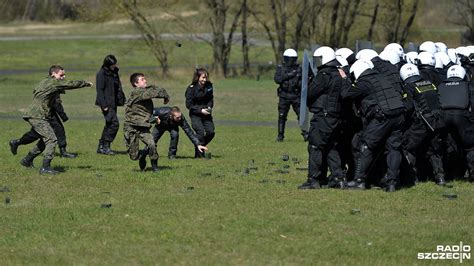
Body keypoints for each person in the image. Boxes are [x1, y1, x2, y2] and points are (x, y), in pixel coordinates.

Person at [342, 59, 405, 192]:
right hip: (398, 114)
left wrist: (345, 78)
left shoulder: (365, 82)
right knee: (394, 148)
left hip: (383, 117)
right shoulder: (382, 77)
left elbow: (346, 94)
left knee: (366, 145)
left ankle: (359, 181)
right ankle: (392, 183)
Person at [20, 65, 92, 174]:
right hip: (37, 116)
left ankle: (27, 160)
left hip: (37, 115)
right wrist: (86, 83)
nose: (64, 77)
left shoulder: (45, 81)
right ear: (53, 74)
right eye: (61, 75)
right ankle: (45, 167)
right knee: (52, 139)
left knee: (44, 141)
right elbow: (69, 84)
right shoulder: (53, 82)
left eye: (64, 74)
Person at [298, 46, 351, 189]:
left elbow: (309, 93)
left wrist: (306, 82)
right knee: (330, 146)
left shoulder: (324, 75)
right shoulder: (340, 73)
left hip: (323, 116)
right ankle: (338, 178)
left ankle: (313, 180)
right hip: (336, 116)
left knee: (315, 146)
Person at [399, 63, 446, 185]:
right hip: (438, 121)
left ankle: (412, 178)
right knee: (434, 149)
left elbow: (408, 107)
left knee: (408, 148)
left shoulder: (409, 86)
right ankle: (440, 178)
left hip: (422, 122)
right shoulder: (430, 83)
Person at [124, 73, 170, 172]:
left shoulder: (144, 92)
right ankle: (142, 155)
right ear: (136, 83)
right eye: (142, 79)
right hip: (131, 127)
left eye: (145, 79)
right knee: (133, 156)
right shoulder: (137, 93)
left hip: (143, 126)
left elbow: (143, 113)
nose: (145, 80)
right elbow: (155, 92)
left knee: (152, 144)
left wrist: (153, 119)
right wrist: (165, 95)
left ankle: (154, 166)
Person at [9, 94, 77, 158]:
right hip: (45, 113)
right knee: (38, 133)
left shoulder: (51, 85)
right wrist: (63, 116)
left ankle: (63, 151)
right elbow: (56, 103)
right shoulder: (53, 86)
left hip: (46, 111)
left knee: (56, 130)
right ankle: (18, 144)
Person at [437, 65, 474, 181]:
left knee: (448, 145)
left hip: (443, 117)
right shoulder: (468, 86)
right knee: (470, 146)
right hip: (461, 116)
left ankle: (448, 174)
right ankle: (472, 174)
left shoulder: (441, 85)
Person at [273, 48, 308, 142]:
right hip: (284, 95)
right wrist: (290, 75)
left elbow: (304, 82)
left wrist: (298, 82)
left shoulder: (300, 69)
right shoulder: (281, 68)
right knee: (282, 115)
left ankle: (305, 134)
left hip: (296, 95)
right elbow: (277, 79)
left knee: (301, 115)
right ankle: (280, 135)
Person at [95, 54, 126, 155]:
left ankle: (101, 147)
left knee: (109, 124)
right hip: (106, 103)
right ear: (107, 64)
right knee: (114, 124)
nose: (114, 66)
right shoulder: (101, 74)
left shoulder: (114, 72)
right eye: (112, 65)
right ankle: (106, 146)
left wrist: (122, 99)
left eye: (115, 64)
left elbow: (118, 87)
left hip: (113, 102)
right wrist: (104, 105)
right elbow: (99, 90)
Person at [185, 68, 215, 158]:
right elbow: (189, 105)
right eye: (202, 78)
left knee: (211, 132)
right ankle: (200, 155)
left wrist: (209, 107)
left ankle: (198, 145)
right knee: (200, 132)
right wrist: (200, 110)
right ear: (197, 77)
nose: (204, 80)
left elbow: (210, 99)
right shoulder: (191, 88)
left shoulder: (209, 86)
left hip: (207, 114)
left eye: (206, 78)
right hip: (195, 115)